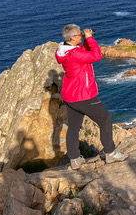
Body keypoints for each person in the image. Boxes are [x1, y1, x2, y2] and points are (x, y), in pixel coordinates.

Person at [55, 24, 128, 169]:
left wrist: (88, 39)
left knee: (74, 128)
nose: (82, 36)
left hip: (70, 95)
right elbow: (96, 55)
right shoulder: (74, 54)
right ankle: (110, 152)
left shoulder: (63, 51)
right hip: (83, 95)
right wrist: (89, 38)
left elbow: (84, 50)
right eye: (80, 35)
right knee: (105, 119)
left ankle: (75, 159)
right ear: (73, 37)